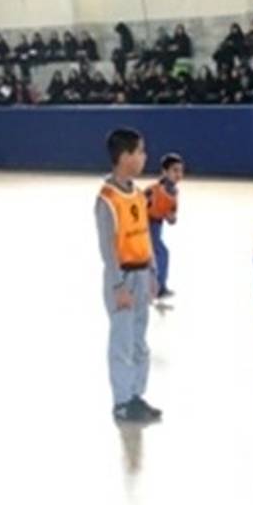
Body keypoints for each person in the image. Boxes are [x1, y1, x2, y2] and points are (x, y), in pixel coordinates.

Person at [96, 128, 162, 424]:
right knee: (122, 342)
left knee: (139, 340)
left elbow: (144, 234)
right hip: (122, 278)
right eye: (140, 152)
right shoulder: (107, 199)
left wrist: (153, 271)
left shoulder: (137, 194)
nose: (144, 157)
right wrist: (117, 285)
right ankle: (122, 402)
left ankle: (137, 395)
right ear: (124, 157)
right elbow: (108, 246)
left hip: (141, 273)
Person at [145, 153, 184, 299]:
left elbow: (171, 217)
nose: (178, 174)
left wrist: (171, 218)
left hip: (156, 227)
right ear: (164, 172)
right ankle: (157, 287)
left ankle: (156, 286)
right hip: (145, 227)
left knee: (159, 254)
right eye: (174, 170)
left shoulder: (174, 192)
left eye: (180, 170)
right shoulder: (153, 190)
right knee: (161, 253)